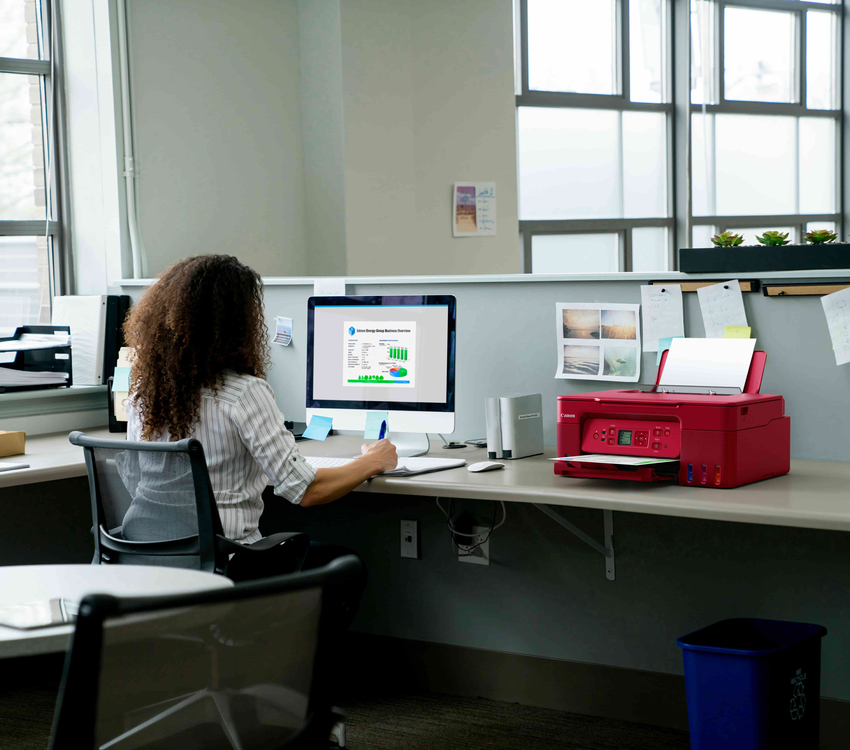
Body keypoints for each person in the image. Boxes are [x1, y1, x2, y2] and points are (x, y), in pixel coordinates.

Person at [121, 254, 396, 625]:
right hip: (228, 564)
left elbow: (136, 484)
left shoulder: (144, 396)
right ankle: (288, 662)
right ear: (237, 323)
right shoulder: (242, 393)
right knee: (344, 566)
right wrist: (373, 461)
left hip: (148, 563)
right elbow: (307, 490)